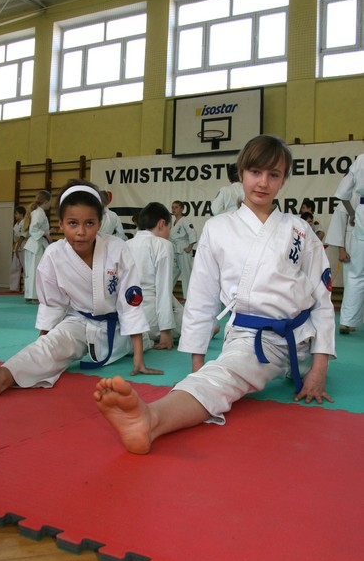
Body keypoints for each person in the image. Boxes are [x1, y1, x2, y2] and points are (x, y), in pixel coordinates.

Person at [93, 134, 336, 455]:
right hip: (255, 338)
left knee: (250, 372)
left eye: (273, 175)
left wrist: (320, 368)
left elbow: (321, 299)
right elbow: (202, 296)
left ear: (284, 180)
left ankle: (305, 365)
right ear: (241, 173)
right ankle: (149, 419)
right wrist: (198, 362)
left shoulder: (299, 230)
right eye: (255, 172)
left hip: (303, 337)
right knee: (220, 377)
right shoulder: (218, 228)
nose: (263, 182)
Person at [0, 180, 162, 397]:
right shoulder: (54, 254)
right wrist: (43, 346)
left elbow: (130, 303)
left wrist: (139, 359)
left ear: (100, 223)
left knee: (149, 338)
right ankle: (0, 377)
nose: (81, 232)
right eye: (73, 223)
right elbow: (52, 306)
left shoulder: (117, 249)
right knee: (53, 344)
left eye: (89, 223)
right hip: (78, 322)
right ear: (60, 223)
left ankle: (160, 337)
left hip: (119, 328)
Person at [127, 202, 183, 350]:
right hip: (153, 322)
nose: (169, 234)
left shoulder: (126, 244)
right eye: (169, 229)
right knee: (196, 325)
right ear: (161, 224)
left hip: (130, 322)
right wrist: (166, 332)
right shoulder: (163, 244)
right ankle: (199, 330)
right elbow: (164, 290)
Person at [334, 154, 364, 334]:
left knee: (356, 274)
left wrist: (353, 213)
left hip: (362, 215)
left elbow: (343, 192)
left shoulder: (360, 160)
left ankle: (347, 321)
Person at [325, 193, 361, 334]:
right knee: (352, 282)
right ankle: (347, 322)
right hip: (353, 242)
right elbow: (339, 222)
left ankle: (354, 320)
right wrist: (341, 249)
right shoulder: (351, 196)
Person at [23, 190, 52, 303]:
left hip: (33, 244)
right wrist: (46, 234)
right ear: (46, 201)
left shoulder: (37, 212)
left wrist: (48, 232)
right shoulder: (39, 212)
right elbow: (33, 229)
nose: (50, 204)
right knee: (36, 271)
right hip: (36, 245)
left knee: (31, 271)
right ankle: (35, 296)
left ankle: (30, 295)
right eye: (50, 201)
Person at [170, 200, 197, 300]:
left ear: (182, 209)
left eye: (176, 207)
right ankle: (167, 295)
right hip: (176, 250)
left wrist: (190, 247)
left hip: (184, 250)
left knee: (186, 274)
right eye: (173, 207)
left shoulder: (185, 220)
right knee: (172, 274)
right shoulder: (174, 222)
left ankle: (189, 298)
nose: (174, 209)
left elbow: (192, 233)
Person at [9, 206, 27, 292]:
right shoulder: (16, 224)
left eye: (16, 213)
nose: (15, 215)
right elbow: (15, 238)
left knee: (26, 268)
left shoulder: (25, 223)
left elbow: (23, 236)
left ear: (21, 214)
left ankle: (26, 289)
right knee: (15, 268)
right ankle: (13, 288)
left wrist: (17, 248)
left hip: (24, 246)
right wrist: (15, 248)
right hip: (17, 246)